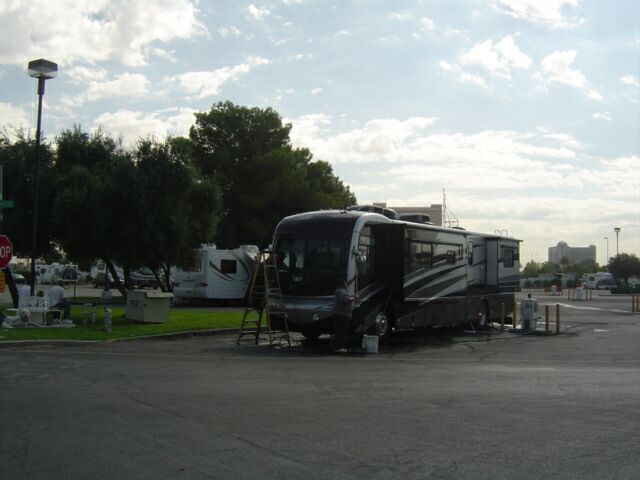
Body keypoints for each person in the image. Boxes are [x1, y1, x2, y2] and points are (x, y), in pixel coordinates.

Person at [333, 276, 357, 353]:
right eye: (345, 283)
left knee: (338, 331)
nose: (347, 284)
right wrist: (354, 297)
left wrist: (353, 279)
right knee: (341, 331)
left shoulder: (338, 290)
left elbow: (347, 284)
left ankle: (337, 346)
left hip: (338, 314)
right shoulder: (342, 291)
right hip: (342, 314)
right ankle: (339, 347)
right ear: (343, 284)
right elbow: (345, 300)